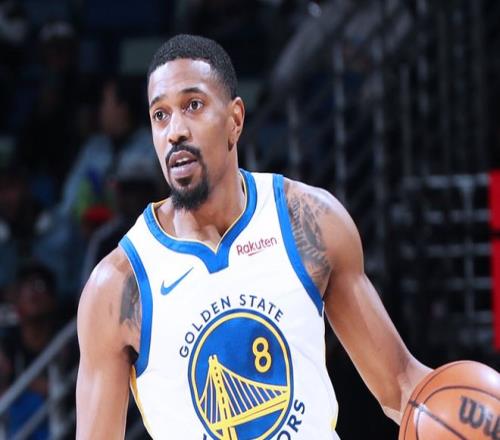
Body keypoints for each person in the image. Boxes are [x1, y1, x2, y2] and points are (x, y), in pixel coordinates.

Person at [76, 34, 431, 439]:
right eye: (161, 115)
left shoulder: (308, 221)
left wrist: (473, 413)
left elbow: (401, 387)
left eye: (193, 106)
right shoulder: (118, 285)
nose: (175, 131)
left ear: (235, 120)